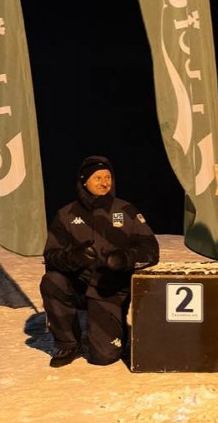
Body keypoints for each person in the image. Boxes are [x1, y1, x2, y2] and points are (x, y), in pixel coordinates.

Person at [40, 155, 160, 368]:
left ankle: (113, 326)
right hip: (79, 284)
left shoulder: (126, 210)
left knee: (103, 357)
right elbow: (51, 255)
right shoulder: (66, 214)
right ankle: (68, 344)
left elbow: (151, 250)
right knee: (52, 281)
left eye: (108, 177)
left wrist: (126, 258)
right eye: (98, 178)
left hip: (110, 289)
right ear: (84, 181)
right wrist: (73, 257)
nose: (105, 183)